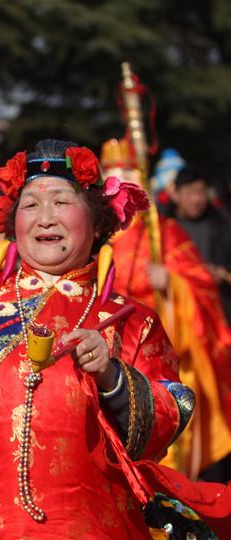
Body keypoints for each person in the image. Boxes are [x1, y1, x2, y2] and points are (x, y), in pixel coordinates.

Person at [0, 140, 194, 540]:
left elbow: (171, 415)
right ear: (13, 225)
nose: (45, 216)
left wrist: (112, 376)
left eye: (62, 202)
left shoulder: (130, 320)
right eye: (30, 204)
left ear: (97, 221)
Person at [102, 140, 231, 479]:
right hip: (109, 351)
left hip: (164, 345)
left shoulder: (164, 232)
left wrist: (172, 282)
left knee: (171, 444)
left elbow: (201, 282)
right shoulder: (95, 238)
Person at [166, 166, 231, 323]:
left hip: (219, 311)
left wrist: (224, 274)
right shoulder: (164, 227)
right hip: (180, 315)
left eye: (201, 192)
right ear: (175, 194)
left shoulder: (223, 224)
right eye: (190, 193)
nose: (196, 199)